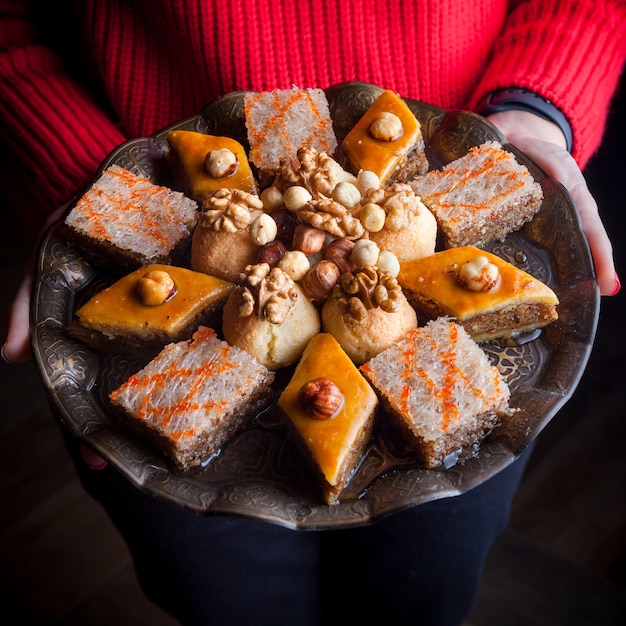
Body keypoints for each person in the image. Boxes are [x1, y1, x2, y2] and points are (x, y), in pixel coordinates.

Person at [1, 1, 624, 624]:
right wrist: (84, 174)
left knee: (420, 597)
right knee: (226, 603)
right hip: (160, 182)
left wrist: (531, 106)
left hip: (444, 156)